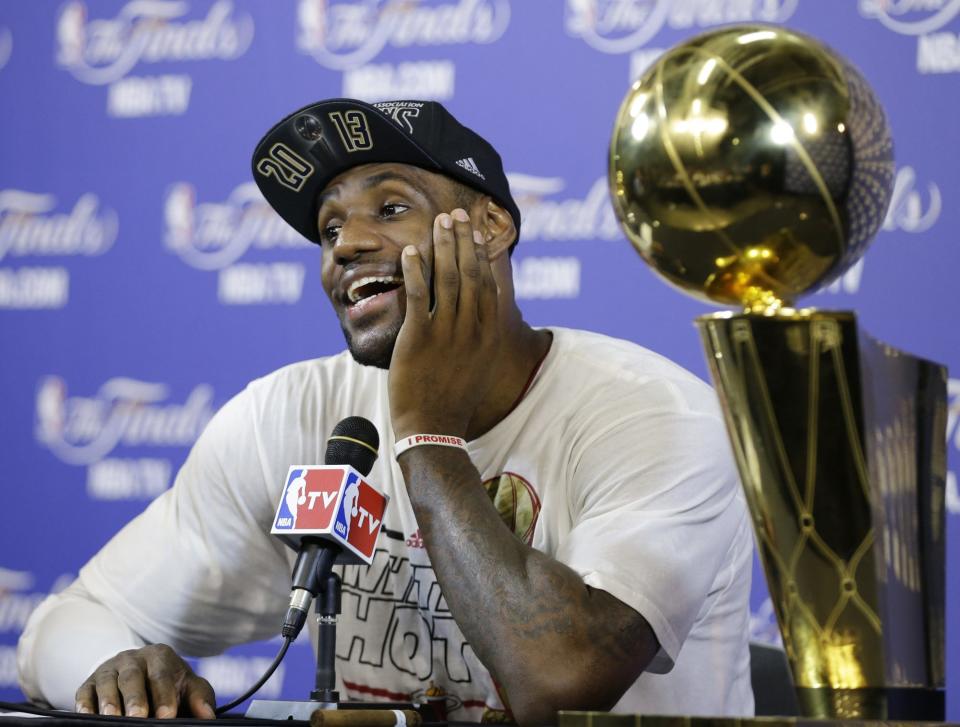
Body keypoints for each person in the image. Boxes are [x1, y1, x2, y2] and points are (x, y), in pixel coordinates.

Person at [17, 99, 754, 725]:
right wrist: (117, 666)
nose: (348, 245)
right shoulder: (292, 415)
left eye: (391, 207)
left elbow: (559, 685)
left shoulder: (653, 416)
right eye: (329, 228)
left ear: (492, 226)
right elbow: (58, 627)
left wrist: (426, 434)